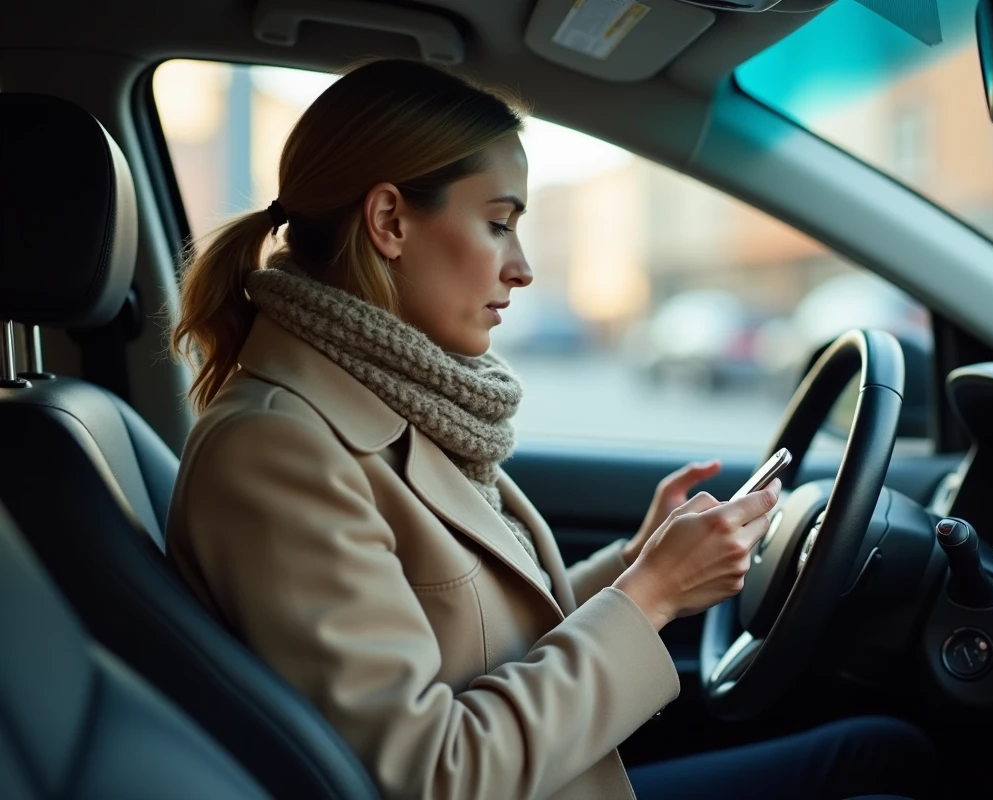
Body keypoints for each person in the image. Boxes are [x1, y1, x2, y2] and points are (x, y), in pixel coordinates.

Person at [167, 58, 938, 800]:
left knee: (882, 751)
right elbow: (429, 777)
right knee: (883, 767)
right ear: (391, 220)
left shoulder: (394, 394)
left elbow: (480, 635)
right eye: (500, 224)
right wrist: (653, 595)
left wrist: (636, 562)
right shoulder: (275, 449)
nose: (523, 267)